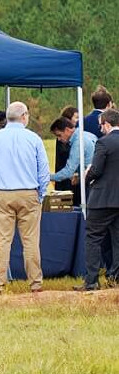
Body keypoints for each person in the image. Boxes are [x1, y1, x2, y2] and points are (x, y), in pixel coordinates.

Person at [0, 101, 51, 295]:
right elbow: (43, 172)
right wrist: (40, 194)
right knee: (30, 241)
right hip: (28, 193)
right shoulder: (34, 139)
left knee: (2, 241)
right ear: (24, 116)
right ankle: (35, 283)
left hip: (2, 194)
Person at [81, 107, 119, 291]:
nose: (100, 129)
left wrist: (87, 174)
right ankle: (115, 278)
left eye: (101, 125)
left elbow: (96, 170)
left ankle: (91, 280)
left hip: (103, 198)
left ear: (107, 124)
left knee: (93, 238)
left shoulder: (104, 143)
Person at [50, 117, 96, 202]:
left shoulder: (78, 143)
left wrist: (48, 177)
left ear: (67, 130)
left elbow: (68, 172)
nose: (59, 139)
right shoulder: (88, 135)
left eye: (59, 135)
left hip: (91, 185)